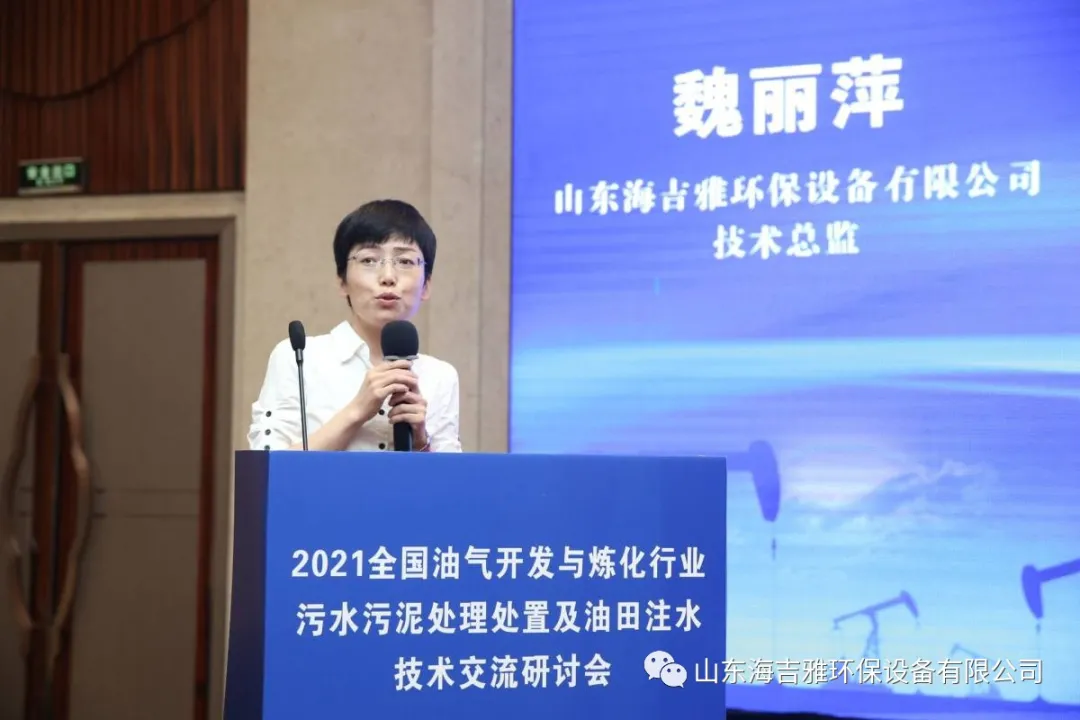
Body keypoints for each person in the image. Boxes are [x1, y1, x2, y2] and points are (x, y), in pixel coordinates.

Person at [247, 200, 462, 452]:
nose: (388, 277)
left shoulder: (441, 377)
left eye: (404, 261)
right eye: (369, 260)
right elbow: (270, 467)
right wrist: (357, 411)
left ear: (426, 285)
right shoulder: (298, 359)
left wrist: (421, 442)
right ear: (342, 281)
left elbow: (452, 476)